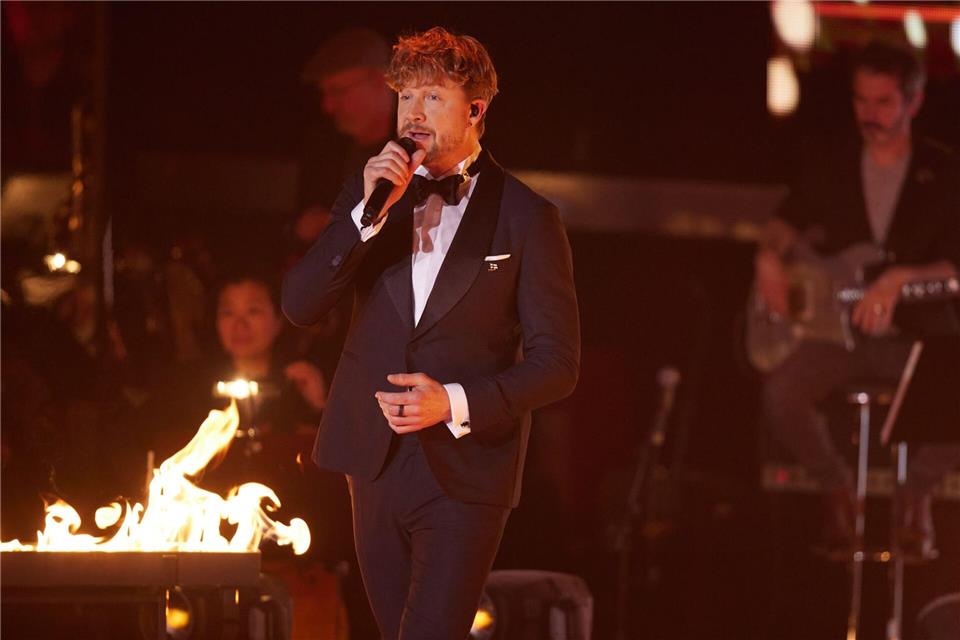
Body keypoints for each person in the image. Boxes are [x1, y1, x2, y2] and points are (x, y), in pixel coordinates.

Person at [283, 27, 580, 639]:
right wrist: (364, 220)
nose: (413, 115)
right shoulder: (372, 194)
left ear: (476, 109)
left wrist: (453, 401)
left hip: (464, 467)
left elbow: (558, 363)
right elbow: (299, 305)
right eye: (404, 99)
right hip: (371, 458)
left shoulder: (528, 217)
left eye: (432, 99)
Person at [755, 40, 960, 556]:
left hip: (920, 335)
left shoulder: (945, 172)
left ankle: (916, 497)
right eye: (860, 101)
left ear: (912, 103)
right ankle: (838, 489)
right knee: (781, 392)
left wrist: (900, 280)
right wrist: (767, 258)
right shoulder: (833, 162)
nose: (869, 114)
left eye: (883, 102)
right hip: (839, 333)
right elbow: (786, 219)